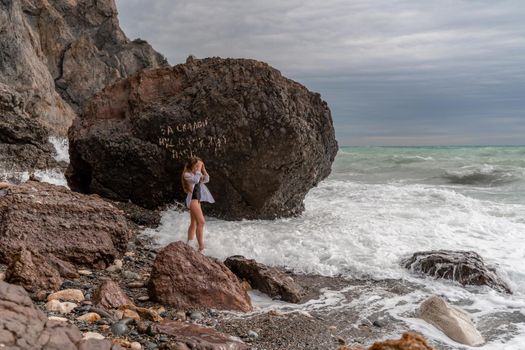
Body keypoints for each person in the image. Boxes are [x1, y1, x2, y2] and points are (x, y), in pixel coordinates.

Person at [181, 157, 215, 252]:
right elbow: (196, 181)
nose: (197, 168)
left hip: (197, 200)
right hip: (192, 200)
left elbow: (207, 179)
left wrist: (203, 169)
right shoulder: (187, 174)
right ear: (191, 165)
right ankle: (201, 247)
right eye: (196, 166)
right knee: (201, 222)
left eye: (198, 166)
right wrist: (199, 170)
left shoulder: (196, 174)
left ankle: (189, 244)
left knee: (194, 223)